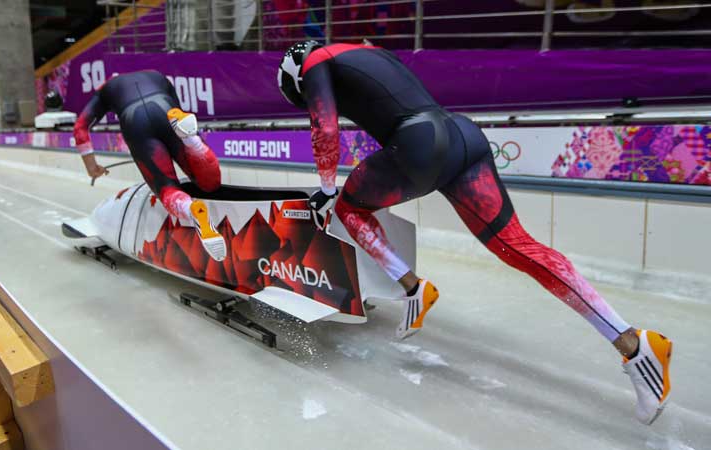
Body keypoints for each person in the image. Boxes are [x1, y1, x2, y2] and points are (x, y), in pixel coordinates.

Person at [277, 41, 672, 425]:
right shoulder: (367, 50)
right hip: (463, 136)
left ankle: (413, 287)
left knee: (348, 207)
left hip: (419, 145)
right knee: (515, 245)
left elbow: (324, 128)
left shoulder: (314, 63)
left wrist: (327, 190)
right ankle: (633, 343)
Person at [73, 70, 226, 261]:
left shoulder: (106, 89)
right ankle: (192, 142)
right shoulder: (156, 75)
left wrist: (92, 167)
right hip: (167, 110)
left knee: (167, 188)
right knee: (209, 183)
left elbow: (80, 128)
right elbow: (177, 108)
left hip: (135, 122)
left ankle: (191, 210)